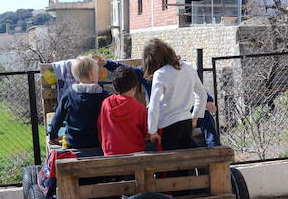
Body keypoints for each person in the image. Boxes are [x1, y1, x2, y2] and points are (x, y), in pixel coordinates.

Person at [93, 53, 221, 147]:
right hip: (163, 116)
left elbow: (196, 86)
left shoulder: (176, 72)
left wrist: (208, 99)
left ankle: (215, 149)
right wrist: (106, 63)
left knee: (205, 116)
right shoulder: (148, 75)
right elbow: (126, 70)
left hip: (181, 113)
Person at [141, 38, 206, 150]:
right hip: (186, 122)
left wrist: (152, 130)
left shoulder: (160, 74)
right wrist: (195, 117)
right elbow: (202, 94)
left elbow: (154, 105)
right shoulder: (189, 67)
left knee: (172, 164)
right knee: (187, 162)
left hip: (167, 125)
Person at [48, 56, 108, 152]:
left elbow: (59, 116)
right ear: (92, 74)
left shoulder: (69, 93)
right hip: (96, 141)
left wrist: (53, 135)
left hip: (74, 141)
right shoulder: (103, 95)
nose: (98, 75)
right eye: (97, 72)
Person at [97, 65, 149, 156]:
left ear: (115, 88)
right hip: (136, 154)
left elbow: (100, 126)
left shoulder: (106, 103)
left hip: (111, 154)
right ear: (134, 87)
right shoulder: (139, 108)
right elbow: (145, 131)